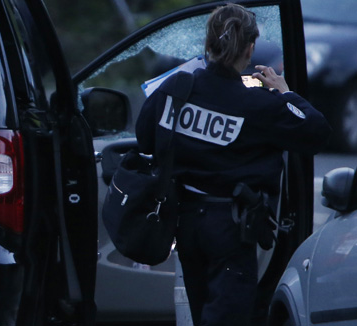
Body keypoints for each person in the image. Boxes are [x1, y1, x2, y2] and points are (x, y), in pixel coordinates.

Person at [135, 3, 332, 326]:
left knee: (202, 315)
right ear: (251, 48)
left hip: (186, 223)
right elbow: (316, 132)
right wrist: (284, 91)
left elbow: (145, 140)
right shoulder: (257, 104)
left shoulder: (176, 88)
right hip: (231, 228)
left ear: (208, 44)